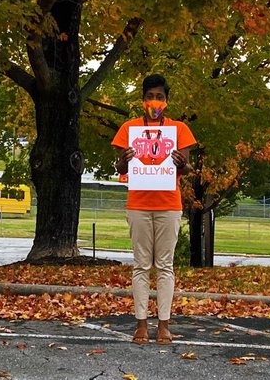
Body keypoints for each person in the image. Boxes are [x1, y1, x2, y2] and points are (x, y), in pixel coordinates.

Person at [113, 74, 197, 344]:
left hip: (168, 205)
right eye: (150, 96)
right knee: (140, 265)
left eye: (160, 96)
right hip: (138, 203)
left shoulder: (178, 129)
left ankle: (164, 324)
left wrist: (181, 163)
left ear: (166, 101)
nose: (154, 101)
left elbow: (187, 168)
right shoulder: (130, 128)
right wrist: (124, 161)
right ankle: (140, 324)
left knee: (165, 266)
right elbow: (120, 168)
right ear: (142, 100)